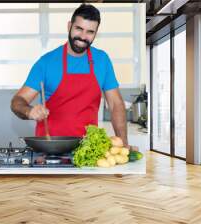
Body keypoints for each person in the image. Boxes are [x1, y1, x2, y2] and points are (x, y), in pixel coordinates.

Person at [11, 3, 129, 147]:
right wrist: (29, 111)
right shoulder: (46, 62)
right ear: (69, 26)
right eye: (79, 29)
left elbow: (116, 104)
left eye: (90, 32)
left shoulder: (102, 60)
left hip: (87, 149)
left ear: (95, 34)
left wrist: (123, 144)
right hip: (49, 148)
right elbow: (17, 101)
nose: (83, 37)